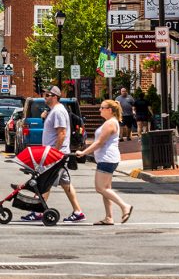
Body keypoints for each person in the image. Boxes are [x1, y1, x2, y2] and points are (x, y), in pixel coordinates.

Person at [22, 86, 85, 223]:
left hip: (56, 154)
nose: (45, 97)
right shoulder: (53, 111)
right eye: (45, 94)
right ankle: (78, 211)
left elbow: (61, 133)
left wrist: (54, 153)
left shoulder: (58, 111)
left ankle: (37, 211)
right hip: (55, 153)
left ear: (55, 96)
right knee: (63, 182)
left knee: (44, 181)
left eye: (48, 95)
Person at [77, 99, 134, 225]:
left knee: (100, 188)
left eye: (102, 107)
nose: (99, 109)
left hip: (107, 158)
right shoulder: (110, 122)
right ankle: (109, 217)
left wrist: (83, 152)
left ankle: (125, 206)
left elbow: (100, 142)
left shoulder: (110, 123)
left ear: (109, 110)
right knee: (106, 189)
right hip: (108, 158)